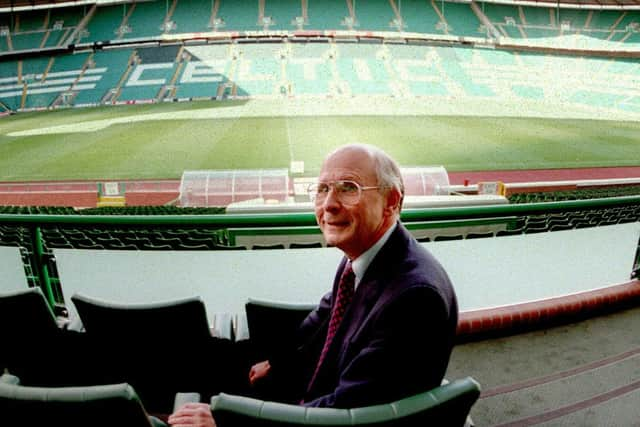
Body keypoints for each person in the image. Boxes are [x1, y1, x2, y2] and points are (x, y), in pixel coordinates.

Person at [168, 144, 458, 426]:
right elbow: (323, 316)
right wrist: (277, 363)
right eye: (322, 189)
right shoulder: (365, 256)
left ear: (391, 201)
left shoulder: (414, 298)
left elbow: (348, 412)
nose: (329, 204)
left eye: (348, 188)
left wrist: (229, 420)